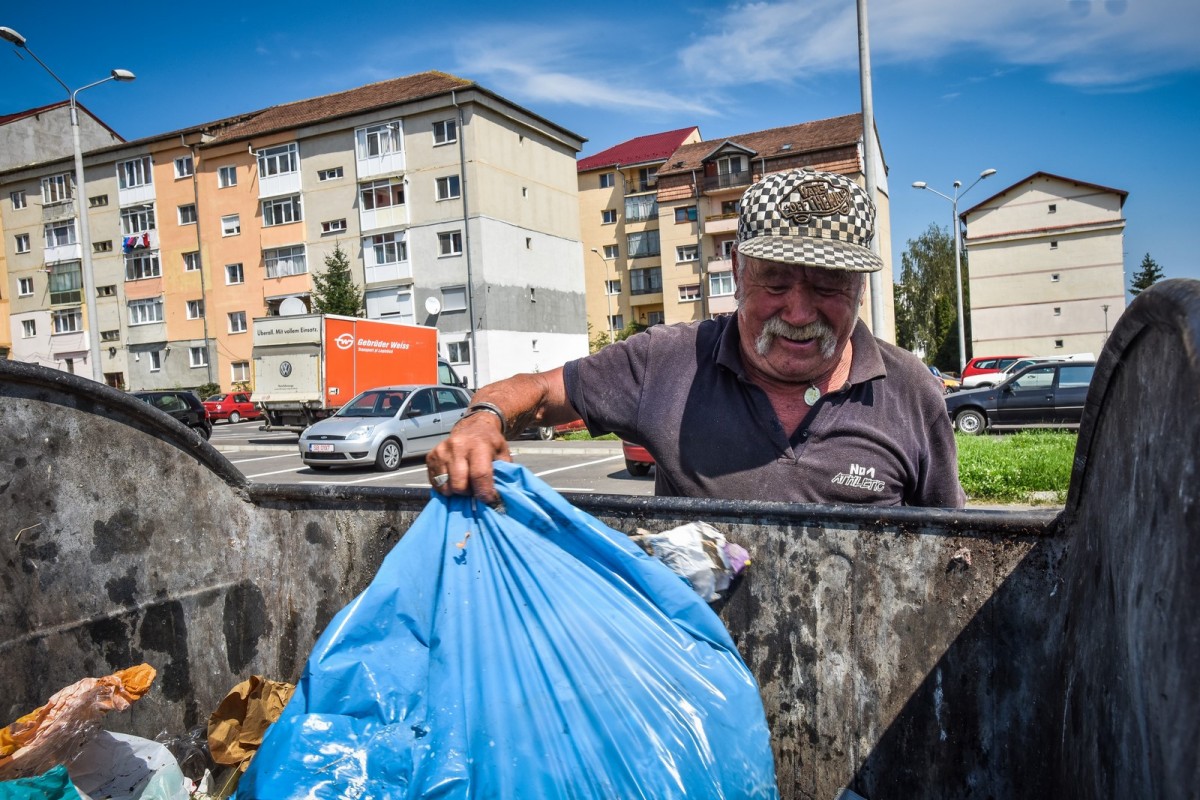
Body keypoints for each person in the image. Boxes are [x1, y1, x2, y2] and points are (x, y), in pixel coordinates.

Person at [427, 168, 965, 508]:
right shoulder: (669, 360)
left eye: (828, 286)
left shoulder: (911, 392)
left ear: (861, 284)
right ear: (737, 269)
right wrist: (483, 420)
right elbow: (540, 390)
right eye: (775, 281)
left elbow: (950, 558)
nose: (799, 311)